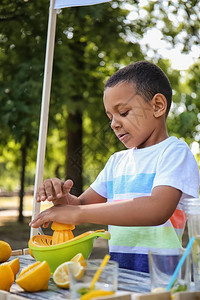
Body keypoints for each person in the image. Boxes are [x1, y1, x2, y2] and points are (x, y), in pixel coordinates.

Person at [30, 61, 199, 273]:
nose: (113, 124)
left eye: (124, 112)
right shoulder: (117, 162)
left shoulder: (175, 152)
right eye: (110, 117)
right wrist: (61, 200)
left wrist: (78, 213)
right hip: (122, 275)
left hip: (163, 279)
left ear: (157, 106)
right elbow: (80, 205)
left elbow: (157, 209)